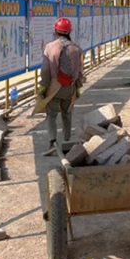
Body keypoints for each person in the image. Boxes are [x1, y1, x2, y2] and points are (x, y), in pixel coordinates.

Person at [38, 18, 84, 156]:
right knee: (67, 113)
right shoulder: (76, 49)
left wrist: (43, 87)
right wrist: (77, 88)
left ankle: (52, 141)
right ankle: (67, 140)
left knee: (51, 115)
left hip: (54, 87)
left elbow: (45, 70)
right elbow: (80, 71)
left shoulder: (49, 47)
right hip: (70, 87)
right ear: (69, 32)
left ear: (56, 32)